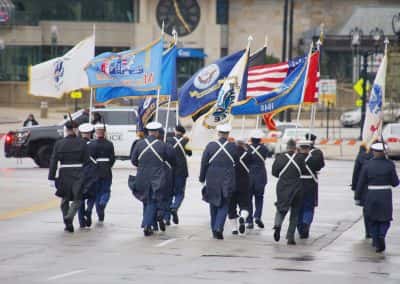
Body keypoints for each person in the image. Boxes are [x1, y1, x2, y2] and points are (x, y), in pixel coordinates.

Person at [131, 122, 175, 236]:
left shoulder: (139, 144)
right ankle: (147, 224)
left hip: (141, 176)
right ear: (157, 132)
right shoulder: (162, 145)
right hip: (156, 177)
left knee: (146, 200)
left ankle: (151, 223)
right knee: (152, 201)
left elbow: (133, 160)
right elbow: (171, 159)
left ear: (148, 132)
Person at [355, 142, 399, 253]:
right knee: (385, 219)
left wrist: (357, 196)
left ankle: (376, 239)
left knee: (372, 219)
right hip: (385, 195)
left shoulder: (367, 165)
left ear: (374, 152)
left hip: (371, 194)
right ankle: (381, 235)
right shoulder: (389, 164)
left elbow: (361, 182)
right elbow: (395, 183)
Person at [48, 121, 89, 233]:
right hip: (78, 172)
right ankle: (69, 217)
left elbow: (53, 161)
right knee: (77, 198)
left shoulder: (59, 143)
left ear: (66, 130)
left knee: (65, 199)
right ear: (75, 130)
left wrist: (51, 177)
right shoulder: (82, 143)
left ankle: (67, 222)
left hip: (64, 172)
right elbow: (87, 161)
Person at [199, 124, 238, 240]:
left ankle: (214, 229)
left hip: (212, 179)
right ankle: (218, 228)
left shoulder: (210, 146)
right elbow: (236, 162)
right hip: (227, 178)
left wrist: (202, 178)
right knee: (224, 204)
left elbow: (204, 163)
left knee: (213, 204)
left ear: (218, 133)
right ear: (228, 134)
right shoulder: (232, 147)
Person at [272, 139, 306, 245]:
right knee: (295, 213)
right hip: (296, 187)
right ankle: (290, 237)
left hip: (283, 187)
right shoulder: (300, 158)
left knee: (281, 208)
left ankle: (277, 225)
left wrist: (283, 177)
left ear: (287, 147)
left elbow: (274, 172)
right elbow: (304, 171)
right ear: (295, 147)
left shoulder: (280, 157)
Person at [86, 124, 115, 225]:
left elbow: (88, 159)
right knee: (105, 191)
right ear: (104, 132)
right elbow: (112, 158)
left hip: (94, 171)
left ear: (96, 133)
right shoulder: (109, 144)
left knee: (94, 193)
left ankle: (91, 209)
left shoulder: (91, 144)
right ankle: (102, 205)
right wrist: (107, 166)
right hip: (106, 169)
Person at [297, 133, 325, 239]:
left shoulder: (296, 155)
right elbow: (320, 166)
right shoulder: (317, 153)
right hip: (310, 183)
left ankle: (300, 228)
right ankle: (306, 223)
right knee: (309, 207)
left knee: (298, 207)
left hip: (298, 183)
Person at [164, 125, 192, 225]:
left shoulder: (168, 140)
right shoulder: (186, 141)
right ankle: (175, 207)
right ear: (183, 133)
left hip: (169, 170)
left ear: (175, 131)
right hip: (181, 171)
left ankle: (166, 218)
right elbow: (190, 153)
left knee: (169, 194)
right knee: (180, 193)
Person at [228, 137, 251, 235]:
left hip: (232, 183)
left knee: (231, 207)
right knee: (245, 205)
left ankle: (234, 229)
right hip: (244, 183)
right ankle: (243, 217)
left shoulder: (231, 154)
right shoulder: (249, 155)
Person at [246, 129, 269, 229]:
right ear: (260, 139)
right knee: (260, 197)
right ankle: (258, 216)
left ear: (251, 139)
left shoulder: (247, 148)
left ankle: (249, 220)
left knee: (248, 199)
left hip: (249, 176)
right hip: (260, 176)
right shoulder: (264, 149)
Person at [77, 123, 97, 228]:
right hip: (91, 173)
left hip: (79, 174)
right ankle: (89, 210)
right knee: (92, 196)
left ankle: (81, 222)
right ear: (91, 134)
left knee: (80, 198)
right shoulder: (95, 144)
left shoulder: (76, 144)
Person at [351, 143, 373, 238]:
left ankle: (368, 231)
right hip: (378, 188)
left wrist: (355, 188)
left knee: (367, 210)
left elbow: (356, 173)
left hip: (364, 187)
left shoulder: (361, 155)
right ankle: (374, 230)